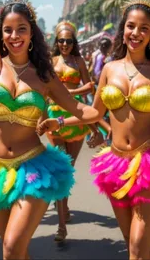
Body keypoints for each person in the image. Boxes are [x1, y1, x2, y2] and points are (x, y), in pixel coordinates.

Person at [37, 0, 150, 260]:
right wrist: (60, 120)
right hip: (116, 164)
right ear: (123, 30)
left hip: (146, 164)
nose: (136, 33)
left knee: (137, 245)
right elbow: (94, 112)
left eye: (144, 28)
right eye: (131, 26)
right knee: (127, 238)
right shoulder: (110, 69)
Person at [46, 20, 102, 241]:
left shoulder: (79, 61)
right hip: (54, 116)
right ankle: (61, 225)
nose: (65, 44)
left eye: (69, 41)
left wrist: (72, 94)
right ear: (56, 41)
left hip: (75, 117)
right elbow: (47, 90)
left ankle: (64, 205)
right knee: (61, 168)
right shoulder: (50, 62)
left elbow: (90, 88)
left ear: (73, 42)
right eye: (61, 40)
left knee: (68, 167)